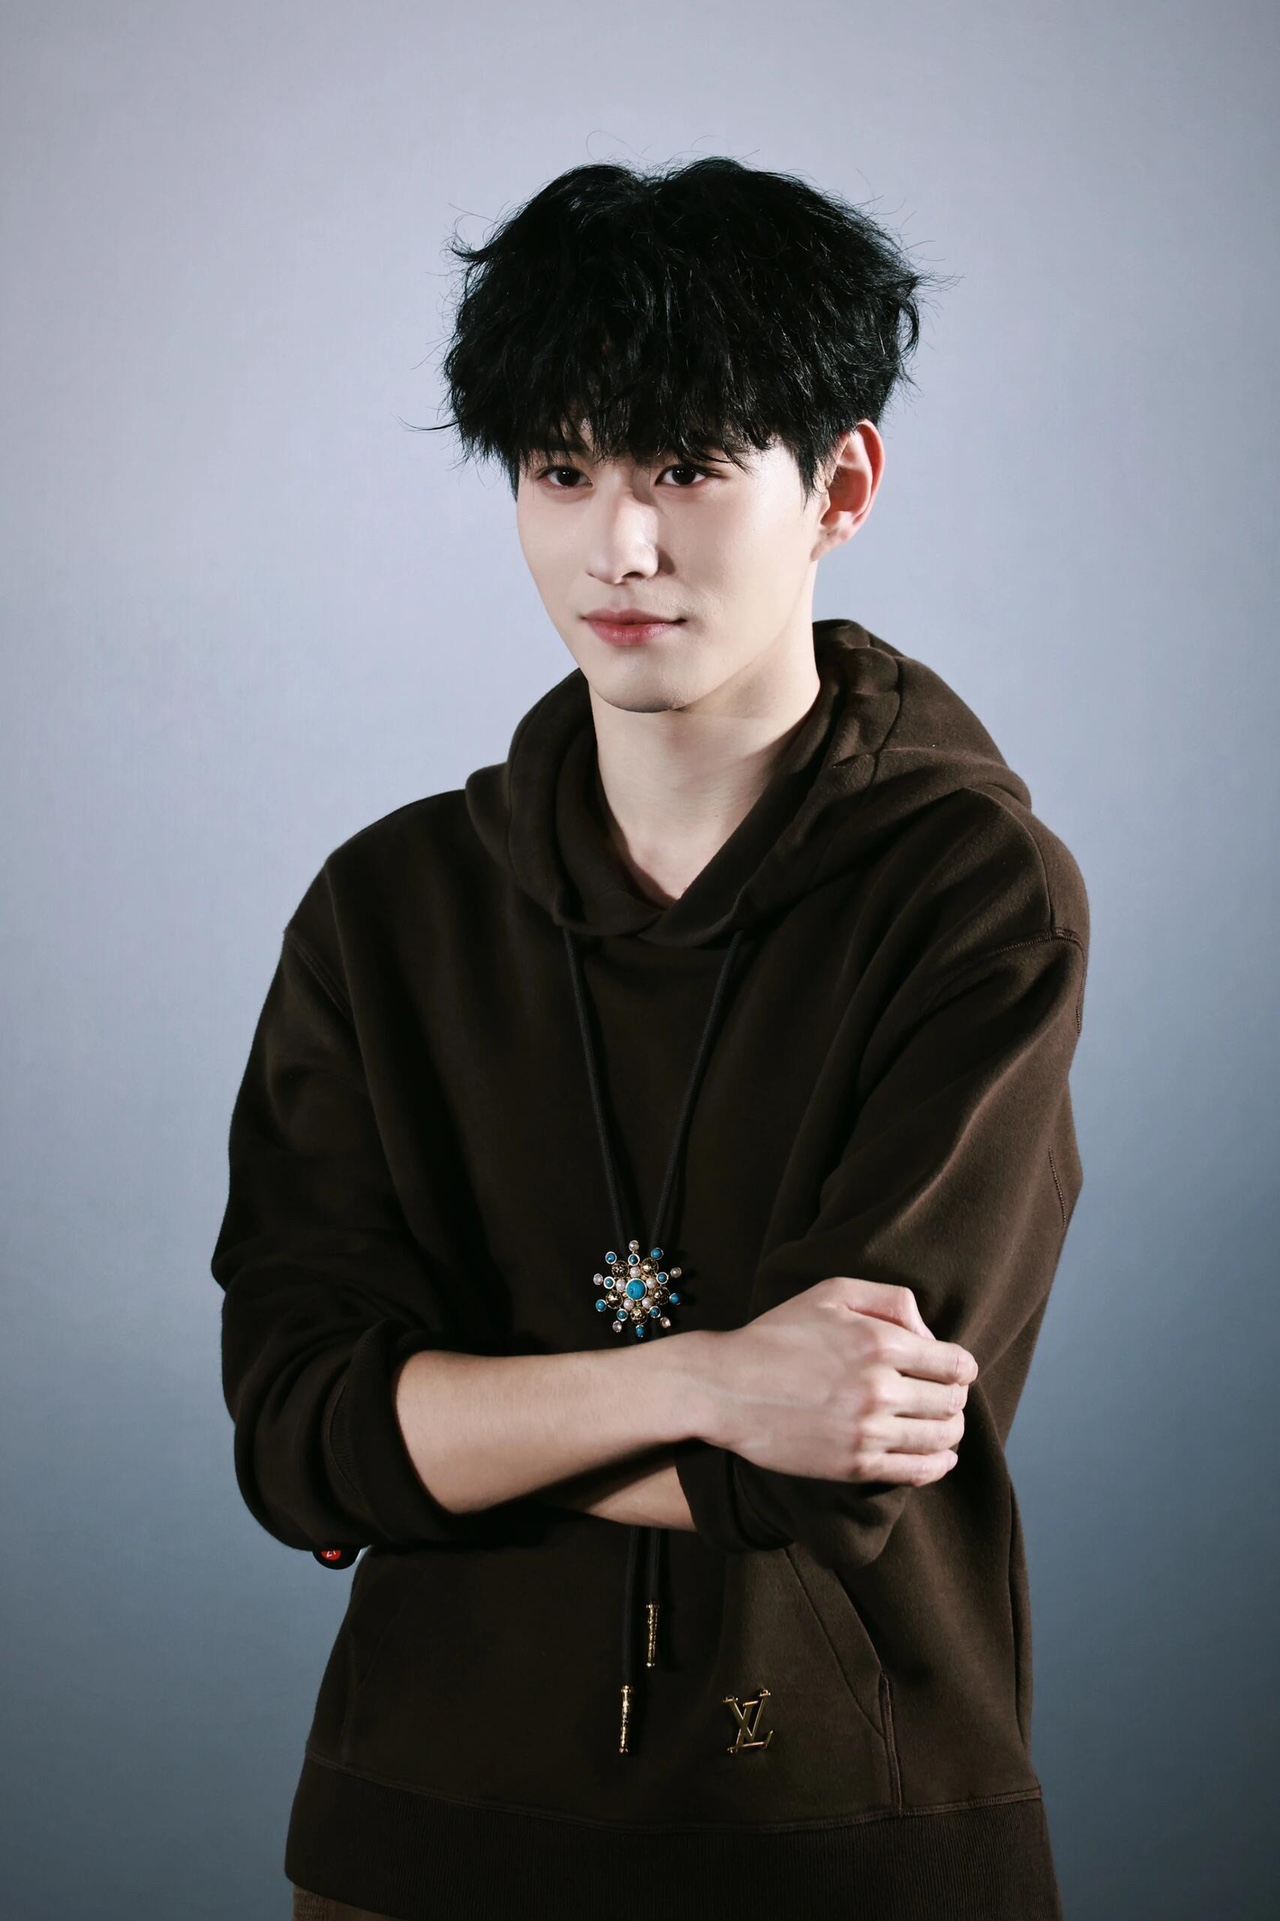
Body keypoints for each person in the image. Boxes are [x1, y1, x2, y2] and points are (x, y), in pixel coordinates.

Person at [211, 156, 1088, 1921]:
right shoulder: (385, 909)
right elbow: (296, 1438)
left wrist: (448, 1428)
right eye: (563, 470)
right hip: (421, 1838)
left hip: (848, 1837)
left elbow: (839, 1454)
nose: (620, 545)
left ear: (840, 485)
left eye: (685, 467)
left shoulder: (973, 893)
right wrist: (701, 1379)